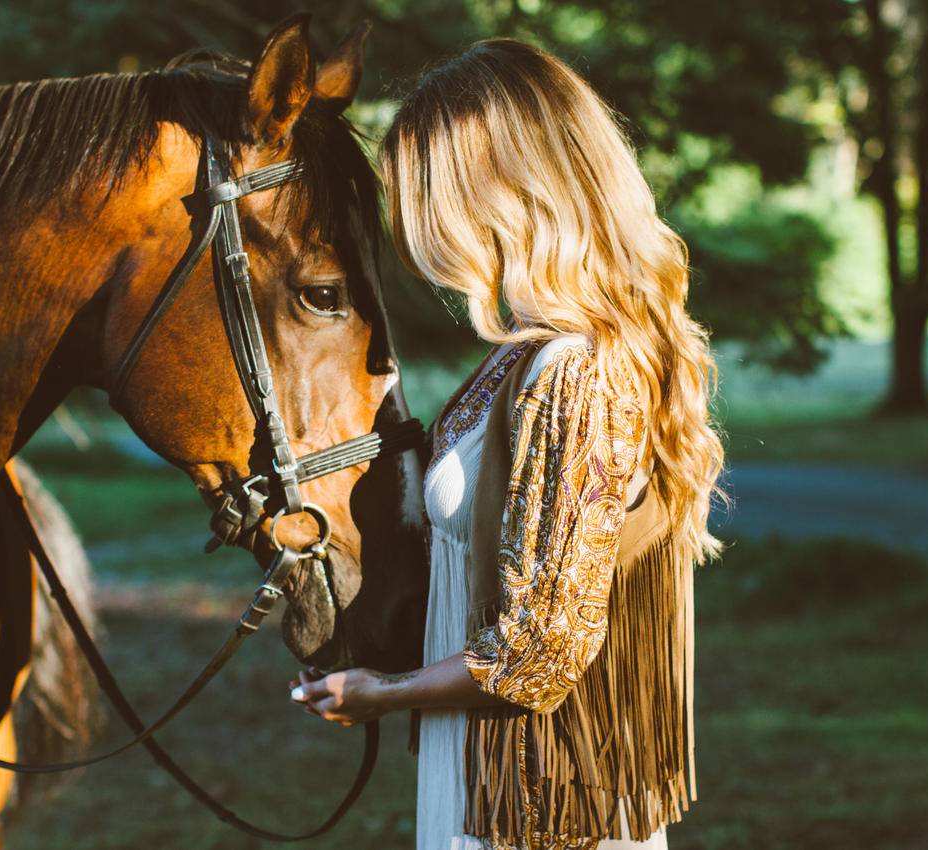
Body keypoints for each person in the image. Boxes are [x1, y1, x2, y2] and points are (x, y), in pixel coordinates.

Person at [289, 39, 725, 850]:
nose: (409, 223)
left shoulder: (579, 370)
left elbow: (543, 650)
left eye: (423, 191)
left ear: (495, 192)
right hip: (482, 774)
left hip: (539, 804)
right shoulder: (523, 354)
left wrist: (384, 692)